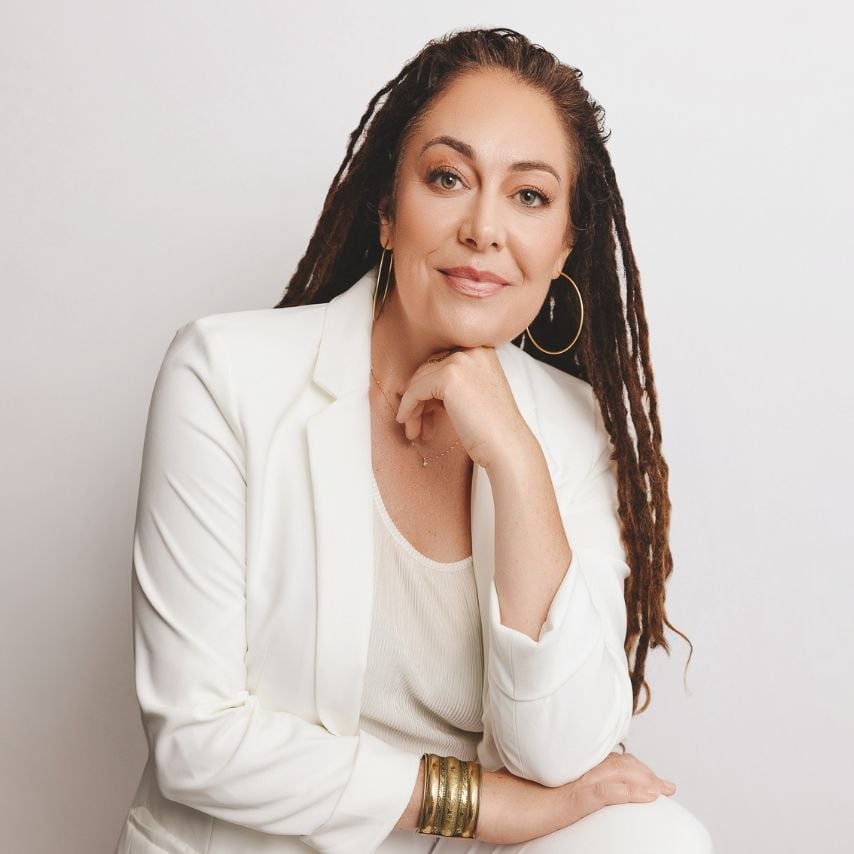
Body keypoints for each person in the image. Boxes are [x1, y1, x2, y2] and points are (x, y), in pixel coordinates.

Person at [115, 26, 713, 854]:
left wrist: (514, 457)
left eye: (529, 197)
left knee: (658, 838)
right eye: (448, 178)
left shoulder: (572, 431)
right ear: (389, 213)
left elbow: (563, 753)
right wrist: (485, 806)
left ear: (564, 251)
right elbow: (195, 742)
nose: (483, 228)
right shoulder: (224, 376)